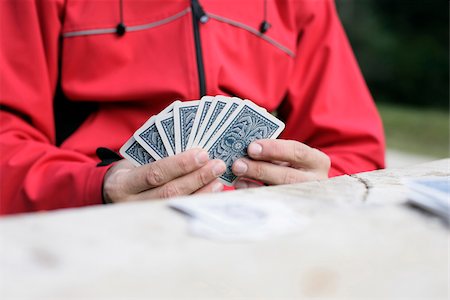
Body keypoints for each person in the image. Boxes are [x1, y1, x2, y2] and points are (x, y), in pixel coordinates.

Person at [0, 0, 385, 214]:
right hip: (91, 228)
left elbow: (357, 151)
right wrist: (92, 186)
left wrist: (321, 182)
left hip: (256, 233)